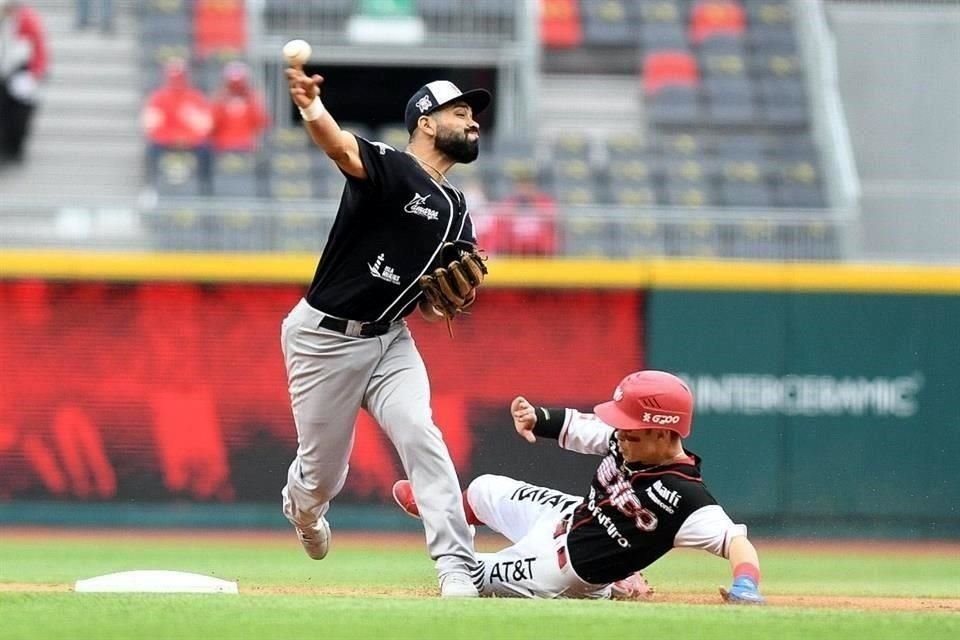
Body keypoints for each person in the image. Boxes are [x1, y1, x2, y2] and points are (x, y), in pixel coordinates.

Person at [281, 59, 492, 598]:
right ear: (425, 121)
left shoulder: (457, 208)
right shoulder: (391, 167)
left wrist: (448, 303)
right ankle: (303, 511)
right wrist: (310, 105)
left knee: (421, 433)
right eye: (460, 112)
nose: (473, 123)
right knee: (323, 476)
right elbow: (339, 147)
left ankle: (455, 565)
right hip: (323, 339)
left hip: (390, 339)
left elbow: (434, 305)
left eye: (474, 115)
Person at [392, 370, 766, 603]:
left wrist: (745, 585)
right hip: (568, 517)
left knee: (468, 574)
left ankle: (614, 579)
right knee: (484, 488)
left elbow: (736, 541)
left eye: (629, 426)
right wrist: (537, 418)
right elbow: (581, 428)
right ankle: (437, 508)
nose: (619, 432)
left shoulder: (687, 499)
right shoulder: (628, 440)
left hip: (564, 570)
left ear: (662, 432)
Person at [141, 58, 213, 188]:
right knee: (151, 151)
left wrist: (187, 138)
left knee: (206, 151)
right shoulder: (158, 98)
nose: (177, 81)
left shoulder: (195, 97)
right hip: (166, 141)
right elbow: (151, 125)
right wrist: (172, 138)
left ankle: (205, 187)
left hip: (191, 141)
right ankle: (151, 186)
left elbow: (205, 125)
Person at [0, 0, 48, 165]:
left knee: (19, 116)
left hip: (22, 74)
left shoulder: (27, 19)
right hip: (4, 74)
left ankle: (16, 149)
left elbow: (39, 47)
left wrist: (35, 73)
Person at [490, 172, 558, 256]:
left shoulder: (543, 201)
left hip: (538, 246)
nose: (525, 190)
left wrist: (538, 210)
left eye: (528, 186)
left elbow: (552, 216)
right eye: (522, 186)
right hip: (514, 246)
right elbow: (501, 217)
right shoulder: (510, 202)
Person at [209, 61, 268, 153]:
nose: (236, 87)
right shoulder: (219, 99)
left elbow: (261, 122)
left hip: (246, 145)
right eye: (233, 83)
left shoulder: (252, 99)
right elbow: (213, 124)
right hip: (222, 145)